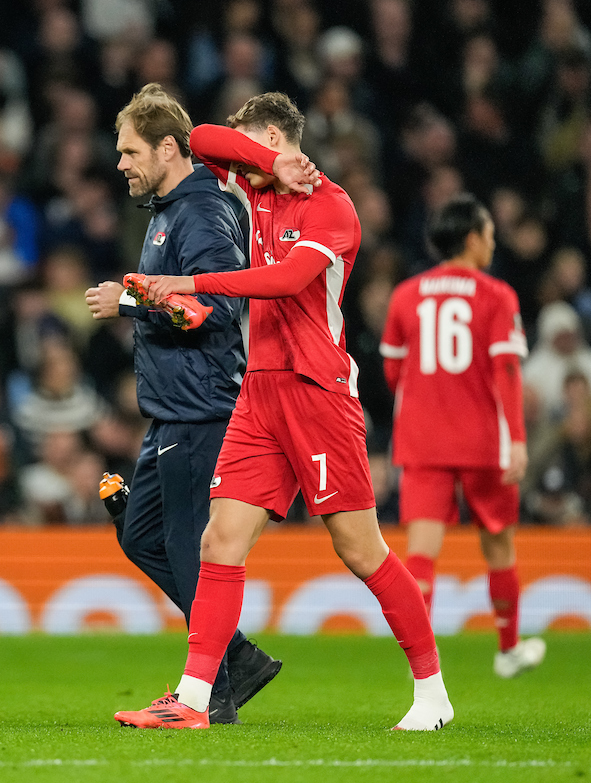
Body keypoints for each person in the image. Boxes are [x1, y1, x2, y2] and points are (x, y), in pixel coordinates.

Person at [115, 92, 453, 731]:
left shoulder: (333, 207)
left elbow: (285, 281)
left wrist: (191, 282)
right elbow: (207, 137)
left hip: (317, 394)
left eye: (255, 148)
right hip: (258, 396)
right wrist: (262, 158)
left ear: (275, 135)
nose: (242, 166)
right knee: (220, 539)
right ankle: (192, 699)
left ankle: (432, 690)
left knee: (361, 550)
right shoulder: (258, 184)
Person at [85, 84, 307, 724]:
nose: (121, 163)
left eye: (129, 151)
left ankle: (210, 693)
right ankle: (235, 658)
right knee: (140, 533)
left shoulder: (203, 211)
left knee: (191, 548)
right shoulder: (165, 211)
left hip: (201, 407)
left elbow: (216, 309)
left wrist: (129, 301)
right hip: (170, 409)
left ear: (167, 148)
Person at [380, 193, 547, 679]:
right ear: (472, 238)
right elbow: (507, 371)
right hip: (481, 441)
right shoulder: (497, 295)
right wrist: (516, 439)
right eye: (491, 235)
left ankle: (423, 670)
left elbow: (392, 371)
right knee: (498, 546)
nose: (493, 244)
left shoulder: (405, 294)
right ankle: (509, 648)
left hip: (422, 439)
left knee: (421, 556)